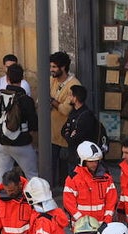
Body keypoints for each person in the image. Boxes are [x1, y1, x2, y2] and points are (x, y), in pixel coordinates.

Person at [0, 63, 38, 179]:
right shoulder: (26, 100)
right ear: (22, 79)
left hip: (2, 142)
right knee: (32, 175)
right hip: (22, 142)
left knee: (2, 177)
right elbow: (33, 125)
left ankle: (0, 197)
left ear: (7, 78)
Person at [47, 52, 81, 184]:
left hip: (66, 135)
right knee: (51, 165)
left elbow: (65, 109)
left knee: (67, 169)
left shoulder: (74, 85)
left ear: (63, 67)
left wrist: (51, 101)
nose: (51, 70)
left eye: (54, 67)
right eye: (51, 66)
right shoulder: (51, 80)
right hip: (51, 133)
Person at [64, 141, 117, 223]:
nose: (94, 164)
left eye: (96, 161)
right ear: (83, 161)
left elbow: (111, 201)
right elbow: (69, 204)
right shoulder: (72, 179)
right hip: (81, 226)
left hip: (101, 225)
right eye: (91, 161)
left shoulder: (106, 178)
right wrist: (83, 221)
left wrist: (107, 220)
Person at [60, 84, 99, 165]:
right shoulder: (73, 112)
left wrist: (70, 135)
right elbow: (64, 129)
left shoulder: (86, 115)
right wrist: (69, 134)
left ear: (76, 98)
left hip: (82, 157)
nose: (69, 98)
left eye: (70, 95)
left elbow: (77, 136)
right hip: (72, 155)